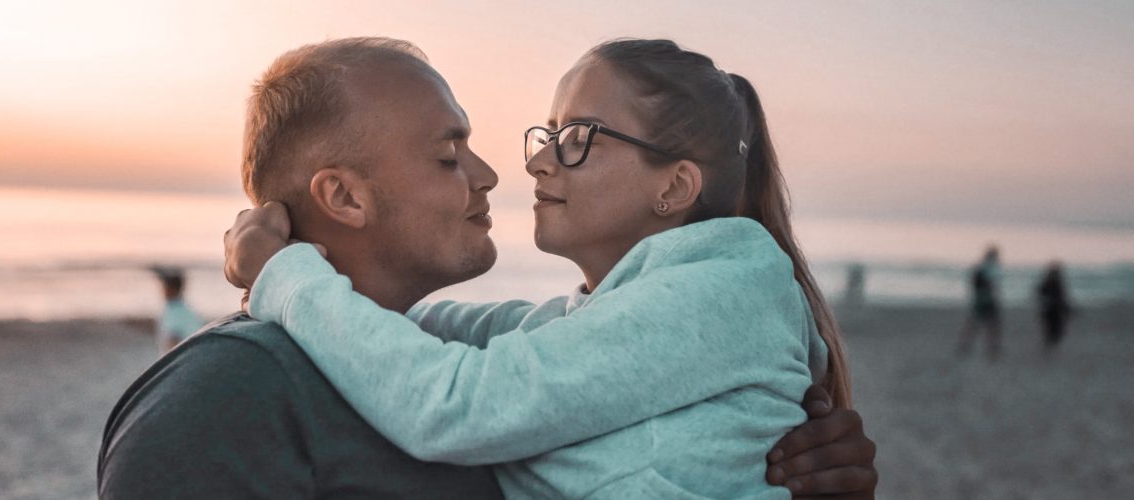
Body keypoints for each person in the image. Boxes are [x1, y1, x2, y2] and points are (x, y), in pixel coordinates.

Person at [99, 38, 875, 499]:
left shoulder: (709, 296)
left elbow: (457, 370)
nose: (507, 172)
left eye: (578, 139)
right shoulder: (222, 402)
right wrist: (292, 277)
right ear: (343, 196)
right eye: (448, 155)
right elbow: (475, 342)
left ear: (674, 188)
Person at [957, 245, 1002, 359]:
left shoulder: (987, 268)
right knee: (981, 325)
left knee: (987, 325)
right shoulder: (984, 269)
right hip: (983, 301)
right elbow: (981, 285)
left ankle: (989, 347)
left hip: (985, 300)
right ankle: (967, 345)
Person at [150, 266, 204, 353]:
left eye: (165, 287)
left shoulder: (174, 311)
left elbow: (174, 341)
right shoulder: (186, 309)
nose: (162, 291)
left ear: (173, 289)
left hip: (182, 359)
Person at [1036, 261, 1072, 354]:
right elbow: (1040, 292)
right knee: (1052, 329)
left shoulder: (1055, 282)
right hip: (1051, 310)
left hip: (1053, 309)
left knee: (1054, 329)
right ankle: (1050, 347)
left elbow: (1062, 297)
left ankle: (1050, 347)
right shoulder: (1049, 282)